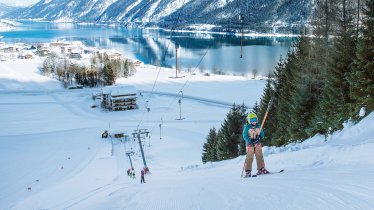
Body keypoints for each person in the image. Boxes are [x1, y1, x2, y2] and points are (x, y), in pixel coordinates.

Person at [242, 113, 269, 177]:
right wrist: (249, 140)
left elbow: (262, 134)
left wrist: (260, 137)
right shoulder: (247, 127)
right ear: (249, 121)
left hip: (257, 143)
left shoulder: (259, 126)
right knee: (249, 157)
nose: (254, 122)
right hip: (250, 144)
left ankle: (261, 169)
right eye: (252, 120)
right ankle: (248, 171)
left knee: (259, 156)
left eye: (255, 120)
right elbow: (244, 136)